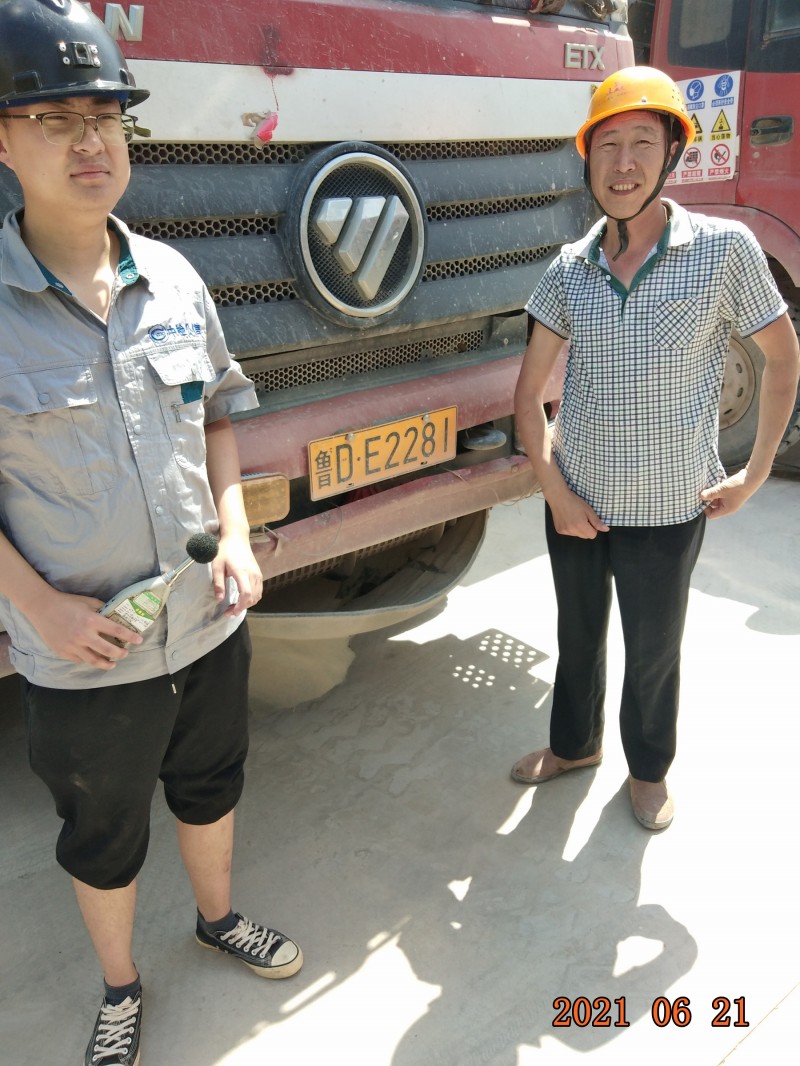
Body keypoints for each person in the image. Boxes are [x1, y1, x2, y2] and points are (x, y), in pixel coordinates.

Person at [0, 2, 302, 1063]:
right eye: (54, 118)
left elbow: (216, 415)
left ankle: (218, 919)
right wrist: (39, 608)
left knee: (212, 783)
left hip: (206, 617)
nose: (89, 141)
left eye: (105, 117)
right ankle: (122, 986)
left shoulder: (174, 277)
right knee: (103, 829)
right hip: (85, 651)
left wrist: (236, 533)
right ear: (3, 141)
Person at [511, 66, 800, 831]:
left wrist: (754, 474)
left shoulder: (724, 249)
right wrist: (555, 492)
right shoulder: (570, 267)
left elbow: (783, 358)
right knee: (577, 639)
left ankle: (647, 770)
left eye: (642, 142)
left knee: (653, 652)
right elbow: (529, 394)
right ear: (587, 158)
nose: (624, 164)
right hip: (577, 501)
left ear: (673, 151)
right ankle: (574, 747)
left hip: (670, 506)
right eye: (607, 145)